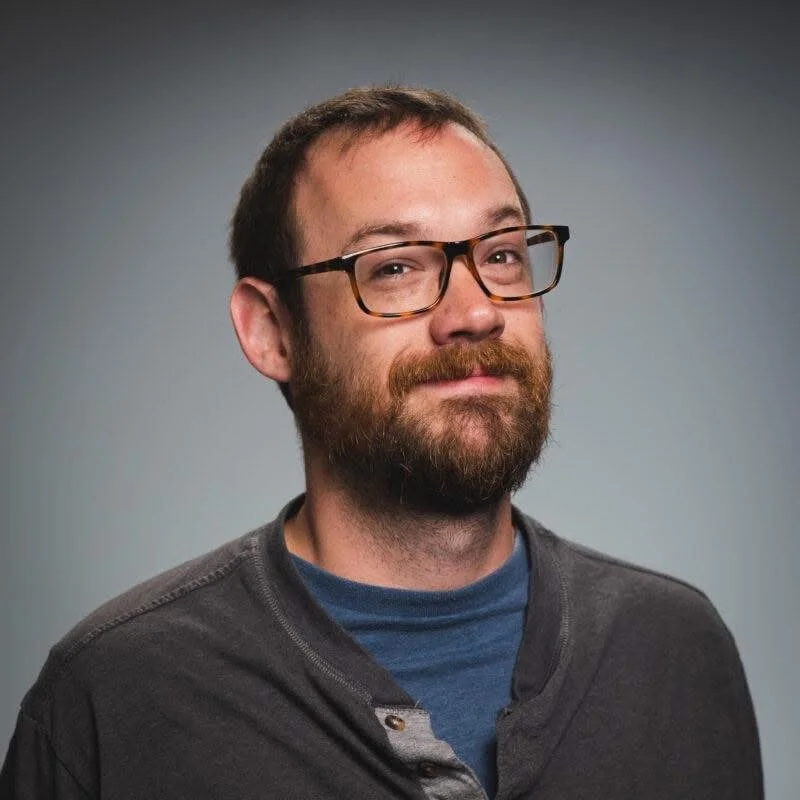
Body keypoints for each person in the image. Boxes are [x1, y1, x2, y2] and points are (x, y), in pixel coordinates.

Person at [1, 86, 762, 799]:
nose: (475, 313)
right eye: (395, 266)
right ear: (272, 332)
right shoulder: (115, 695)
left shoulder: (675, 651)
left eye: (500, 254)